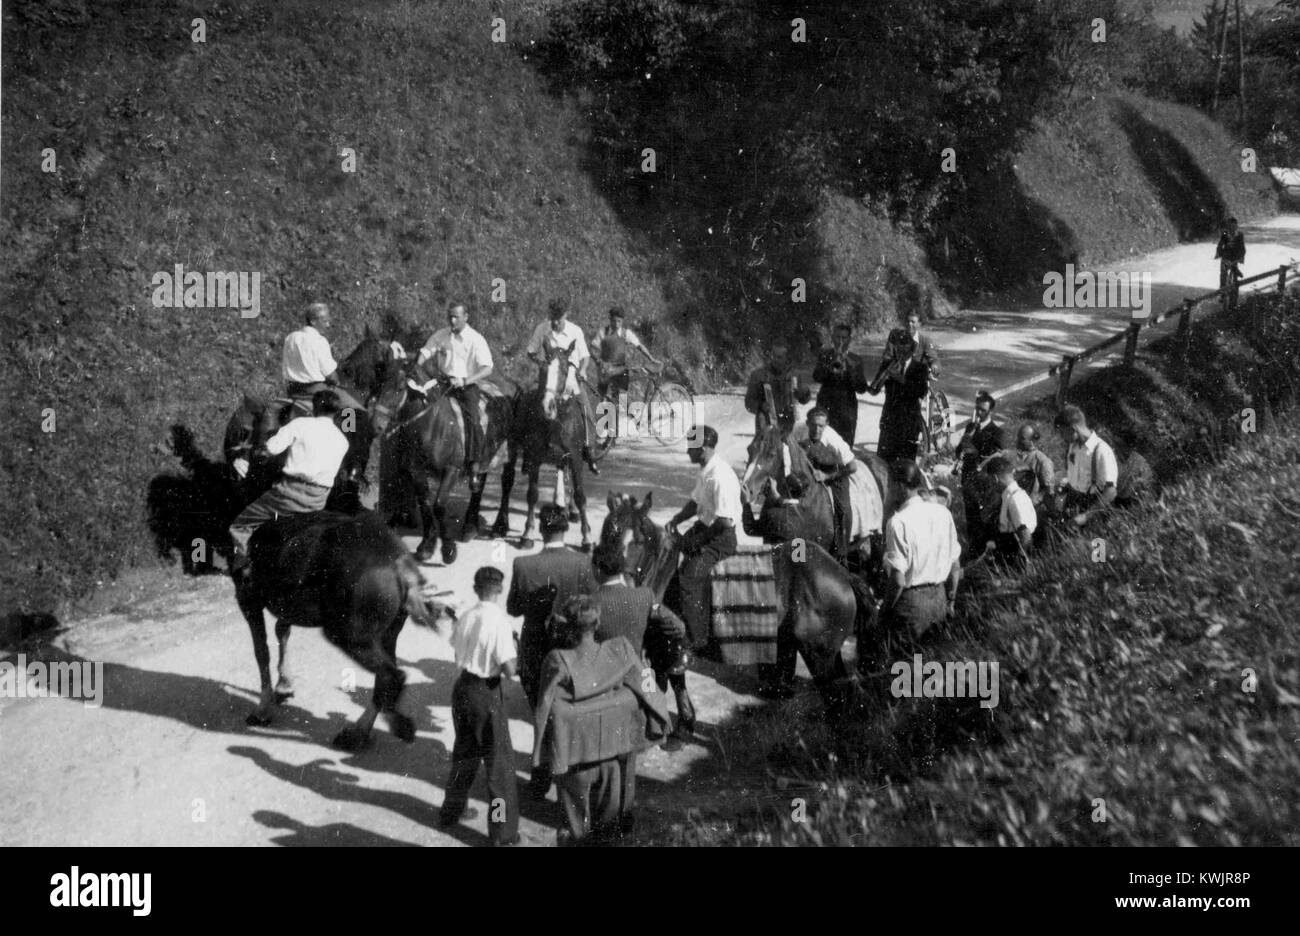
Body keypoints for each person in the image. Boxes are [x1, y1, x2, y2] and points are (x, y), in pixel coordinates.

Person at [533, 597, 667, 844]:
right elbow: (648, 687)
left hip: (574, 757)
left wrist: (541, 754)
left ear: (568, 627)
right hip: (612, 758)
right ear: (598, 624)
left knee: (575, 829)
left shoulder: (558, 660)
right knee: (607, 830)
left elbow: (544, 705)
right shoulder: (621, 650)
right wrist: (657, 700)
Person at [507, 504, 596, 797]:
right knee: (569, 708)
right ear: (565, 529)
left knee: (539, 708)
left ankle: (540, 773)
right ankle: (569, 772)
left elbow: (513, 608)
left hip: (534, 647)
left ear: (542, 529)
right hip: (570, 648)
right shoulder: (583, 563)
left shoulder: (522, 564)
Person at [438, 566, 520, 846]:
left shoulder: (466, 616)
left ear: (475, 589)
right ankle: (502, 834)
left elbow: (456, 644)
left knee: (464, 754)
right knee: (499, 770)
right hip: (487, 693)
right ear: (500, 589)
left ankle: (450, 812)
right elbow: (510, 670)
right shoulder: (499, 622)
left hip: (462, 688)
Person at [228, 389, 349, 577]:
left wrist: (259, 452)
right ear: (336, 412)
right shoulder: (342, 440)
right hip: (318, 500)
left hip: (288, 494)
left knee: (240, 526)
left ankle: (242, 569)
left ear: (315, 407)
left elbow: (271, 448)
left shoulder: (300, 424)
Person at [590, 543, 696, 749]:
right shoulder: (644, 596)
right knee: (652, 699)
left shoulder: (590, 602)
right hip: (640, 674)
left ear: (596, 569)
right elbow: (678, 628)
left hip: (605, 679)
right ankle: (656, 728)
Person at [876, 460, 962, 658]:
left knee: (902, 668)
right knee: (932, 665)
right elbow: (955, 565)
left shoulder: (898, 522)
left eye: (890, 485)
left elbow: (898, 580)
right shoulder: (943, 513)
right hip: (940, 598)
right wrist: (951, 600)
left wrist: (885, 611)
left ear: (899, 486)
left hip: (911, 606)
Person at [669, 425, 743, 653]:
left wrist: (696, 542)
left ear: (702, 448)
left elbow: (725, 522)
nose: (687, 452)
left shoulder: (719, 476)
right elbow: (695, 502)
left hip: (720, 538)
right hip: (708, 527)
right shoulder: (706, 469)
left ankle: (696, 639)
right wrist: (676, 519)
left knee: (689, 579)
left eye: (690, 447)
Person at [415, 302, 494, 479]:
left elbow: (487, 368)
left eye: (456, 317)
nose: (452, 320)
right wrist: (417, 367)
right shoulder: (441, 335)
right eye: (449, 316)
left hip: (466, 387)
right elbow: (426, 353)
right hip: (442, 383)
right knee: (420, 408)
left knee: (474, 419)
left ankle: (474, 465)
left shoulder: (476, 339)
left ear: (466, 317)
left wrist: (466, 380)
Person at [526, 299, 601, 474]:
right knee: (527, 405)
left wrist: (582, 369)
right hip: (549, 378)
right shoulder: (542, 329)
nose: (555, 322)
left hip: (570, 378)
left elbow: (585, 356)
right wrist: (541, 363)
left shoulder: (575, 331)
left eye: (558, 318)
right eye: (552, 317)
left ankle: (590, 449)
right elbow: (530, 350)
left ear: (565, 315)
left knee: (585, 409)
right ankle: (527, 449)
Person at [869, 312, 939, 461]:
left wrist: (900, 378)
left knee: (906, 465)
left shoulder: (920, 368)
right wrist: (881, 378)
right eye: (899, 345)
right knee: (883, 461)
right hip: (889, 420)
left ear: (912, 348)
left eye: (905, 345)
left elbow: (920, 392)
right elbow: (873, 390)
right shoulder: (889, 364)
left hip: (908, 423)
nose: (902, 349)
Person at [796, 407, 857, 559]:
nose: (817, 429)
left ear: (827, 425)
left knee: (842, 509)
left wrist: (826, 476)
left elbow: (852, 466)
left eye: (821, 426)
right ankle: (797, 547)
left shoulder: (833, 440)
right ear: (807, 423)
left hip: (835, 471)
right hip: (812, 466)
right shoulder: (799, 430)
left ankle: (841, 554)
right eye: (814, 425)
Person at [1049, 405, 1118, 527]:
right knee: (1070, 542)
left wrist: (1086, 516)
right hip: (1074, 502)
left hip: (1093, 507)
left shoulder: (1101, 450)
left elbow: (1110, 492)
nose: (1061, 437)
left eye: (1062, 433)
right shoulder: (1073, 446)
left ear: (1073, 429)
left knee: (1096, 544)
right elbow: (1074, 475)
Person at [955, 391, 1007, 555]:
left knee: (983, 518)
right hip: (968, 479)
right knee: (970, 517)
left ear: (990, 411)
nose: (979, 413)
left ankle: (983, 553)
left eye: (983, 410)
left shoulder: (997, 432)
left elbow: (997, 460)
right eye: (977, 408)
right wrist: (963, 445)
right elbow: (958, 452)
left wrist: (974, 451)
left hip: (984, 482)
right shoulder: (971, 427)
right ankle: (972, 550)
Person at [812, 322, 870, 444]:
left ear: (849, 340)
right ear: (832, 338)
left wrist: (848, 367)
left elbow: (862, 388)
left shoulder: (856, 360)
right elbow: (816, 377)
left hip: (846, 411)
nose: (841, 341)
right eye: (838, 337)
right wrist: (831, 364)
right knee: (822, 444)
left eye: (844, 338)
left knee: (844, 446)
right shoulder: (824, 355)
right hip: (826, 407)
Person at [744, 339, 808, 437]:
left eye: (780, 357)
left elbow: (805, 399)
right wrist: (761, 406)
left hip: (789, 425)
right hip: (766, 425)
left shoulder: (794, 375)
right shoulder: (759, 375)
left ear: (786, 357)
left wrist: (803, 394)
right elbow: (749, 402)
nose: (775, 360)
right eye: (773, 356)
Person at [596, 307, 661, 402]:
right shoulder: (603, 332)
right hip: (607, 369)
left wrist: (651, 358)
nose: (616, 324)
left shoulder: (626, 333)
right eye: (614, 321)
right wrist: (599, 361)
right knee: (605, 397)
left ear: (622, 321)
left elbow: (639, 346)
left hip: (620, 370)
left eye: (619, 321)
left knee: (620, 398)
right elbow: (594, 348)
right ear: (610, 320)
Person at [984, 456, 1036, 568]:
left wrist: (1019, 564)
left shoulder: (1016, 498)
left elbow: (1025, 535)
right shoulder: (1008, 496)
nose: (991, 486)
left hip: (1013, 555)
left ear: (995, 478)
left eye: (990, 481)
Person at [282, 302, 339, 402]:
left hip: (292, 391)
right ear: (313, 321)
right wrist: (337, 382)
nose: (328, 325)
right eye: (325, 321)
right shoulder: (319, 341)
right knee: (352, 406)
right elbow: (330, 375)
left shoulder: (290, 338)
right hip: (315, 392)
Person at [1010, 423, 1055, 508]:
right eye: (1018, 437)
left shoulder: (1042, 461)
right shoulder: (1016, 456)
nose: (1018, 440)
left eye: (1022, 438)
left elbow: (1049, 489)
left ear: (1032, 441)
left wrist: (1034, 502)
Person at [1215, 217, 1246, 310]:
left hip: (1235, 257)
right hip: (1226, 257)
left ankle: (1234, 294)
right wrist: (1218, 253)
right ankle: (1222, 293)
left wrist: (1241, 257)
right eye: (1230, 226)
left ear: (1236, 226)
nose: (1232, 229)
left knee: (1234, 274)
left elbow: (1242, 247)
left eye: (1234, 226)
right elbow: (1220, 244)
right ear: (1228, 227)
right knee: (1223, 275)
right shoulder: (1224, 233)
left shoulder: (1240, 235)